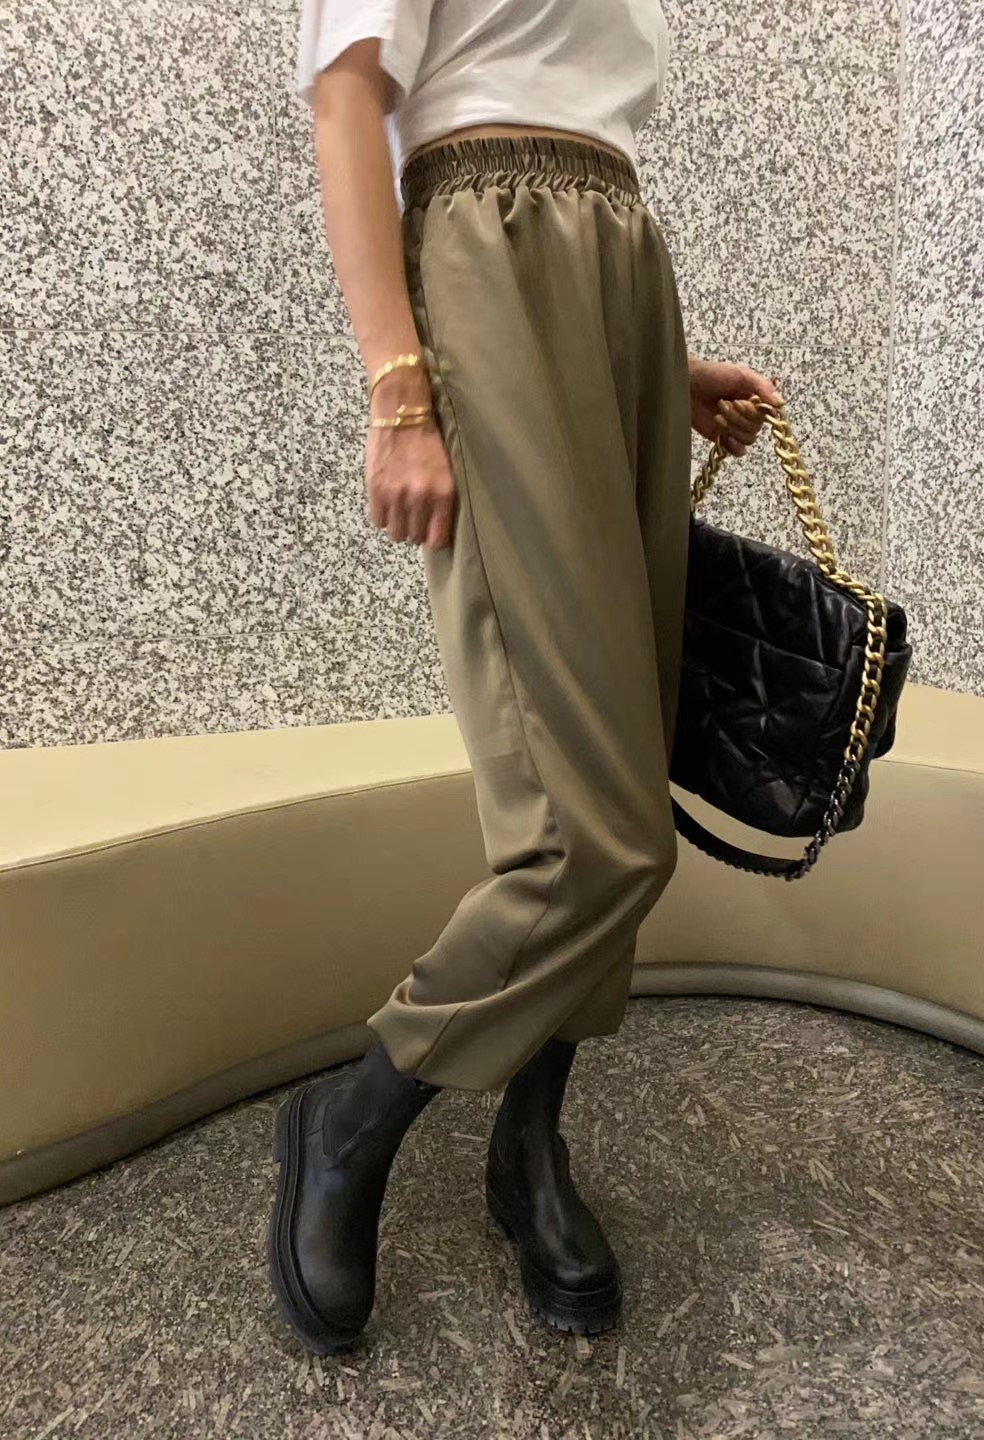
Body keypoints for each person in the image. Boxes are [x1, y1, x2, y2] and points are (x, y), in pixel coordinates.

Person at [268, 0, 784, 1355]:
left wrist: (657, 365)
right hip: (481, 254)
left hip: (617, 269)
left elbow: (573, 111)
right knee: (593, 828)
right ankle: (353, 1117)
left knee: (627, 746)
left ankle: (530, 1139)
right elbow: (347, 92)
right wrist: (398, 389)